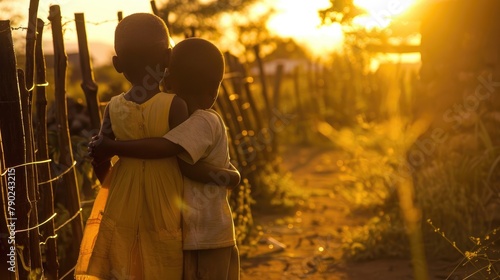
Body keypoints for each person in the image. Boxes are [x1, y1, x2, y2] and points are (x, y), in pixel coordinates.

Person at [75, 14, 239, 280]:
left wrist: (116, 184)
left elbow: (101, 160)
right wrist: (231, 176)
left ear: (117, 64)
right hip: (167, 211)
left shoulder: (113, 108)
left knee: (126, 266)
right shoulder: (176, 105)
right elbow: (176, 154)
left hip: (124, 207)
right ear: (166, 58)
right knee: (163, 265)